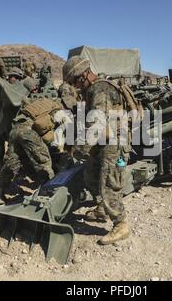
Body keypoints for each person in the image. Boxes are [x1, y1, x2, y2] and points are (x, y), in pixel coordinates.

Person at [62, 55, 133, 245]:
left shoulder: (100, 89)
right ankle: (102, 209)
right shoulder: (91, 90)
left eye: (75, 82)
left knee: (109, 184)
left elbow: (96, 125)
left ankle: (121, 224)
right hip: (102, 142)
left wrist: (78, 150)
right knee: (90, 176)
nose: (75, 87)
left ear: (84, 75)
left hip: (113, 144)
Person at [0, 95, 64, 205]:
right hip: (28, 132)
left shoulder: (42, 101)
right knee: (44, 162)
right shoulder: (59, 109)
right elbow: (51, 133)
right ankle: (50, 194)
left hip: (15, 128)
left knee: (11, 162)